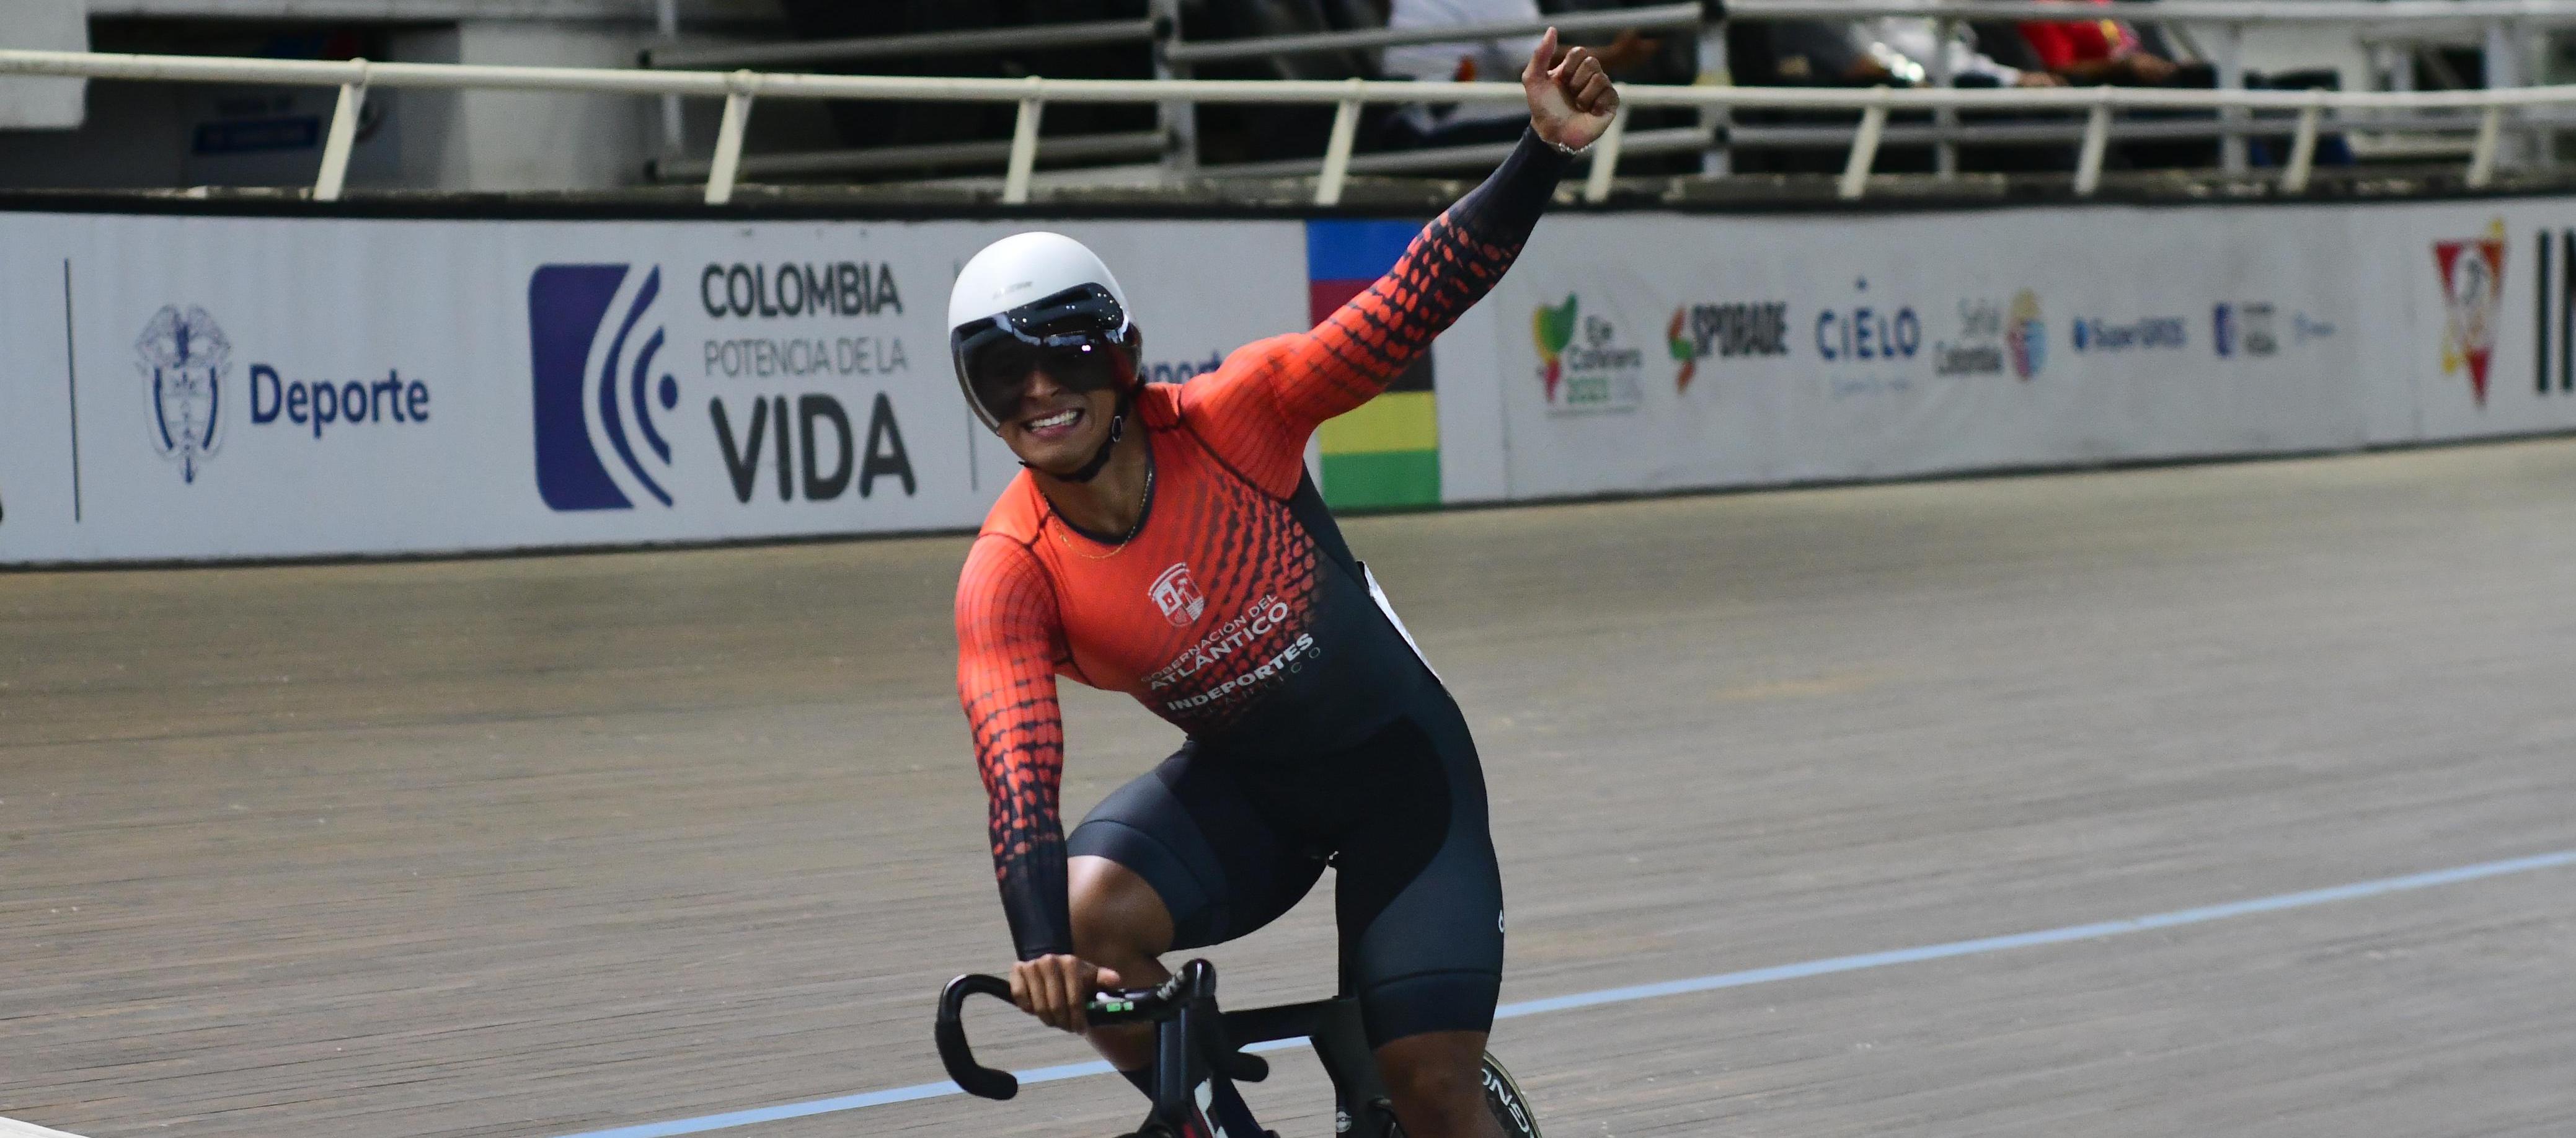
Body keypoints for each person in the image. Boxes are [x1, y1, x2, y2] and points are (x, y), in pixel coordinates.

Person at [947, 29, 1615, 1138]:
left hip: (1404, 783)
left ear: (1121, 358)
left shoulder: (1233, 419)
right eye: (999, 371)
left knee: (1429, 1087)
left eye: (1062, 355)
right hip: (1256, 796)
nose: (1036, 390)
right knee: (1084, 912)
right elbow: (1020, 782)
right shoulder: (1009, 575)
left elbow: (1413, 299)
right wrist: (1044, 953)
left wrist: (1543, 149)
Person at [1381, 0, 1653, 148]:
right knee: (1611, 123)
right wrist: (1619, 56)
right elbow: (1536, 61)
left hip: (1411, 117)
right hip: (1439, 125)